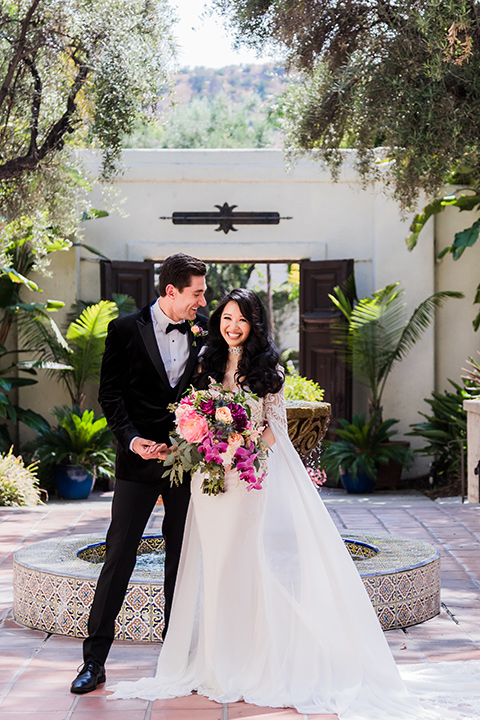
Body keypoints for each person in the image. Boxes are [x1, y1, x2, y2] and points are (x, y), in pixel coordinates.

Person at [108, 289, 426, 718]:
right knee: (212, 565)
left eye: (242, 320)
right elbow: (191, 414)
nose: (232, 327)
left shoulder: (267, 368)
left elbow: (275, 428)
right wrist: (198, 439)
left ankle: (254, 657)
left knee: (248, 563)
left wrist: (266, 455)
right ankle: (216, 660)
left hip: (247, 475)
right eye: (226, 318)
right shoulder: (207, 361)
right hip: (208, 479)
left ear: (255, 325)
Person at [70, 253, 208, 695]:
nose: (203, 301)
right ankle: (94, 662)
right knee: (119, 557)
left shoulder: (202, 334)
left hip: (185, 467)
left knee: (179, 560)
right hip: (135, 464)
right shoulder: (125, 329)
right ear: (171, 291)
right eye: (197, 293)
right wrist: (132, 440)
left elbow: (204, 397)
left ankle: (175, 658)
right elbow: (110, 395)